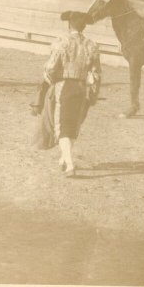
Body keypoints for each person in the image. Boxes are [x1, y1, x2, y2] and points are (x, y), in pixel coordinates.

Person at [33, 11, 101, 178]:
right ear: (84, 26)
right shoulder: (92, 45)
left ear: (69, 25)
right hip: (81, 88)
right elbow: (96, 73)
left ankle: (70, 164)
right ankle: (64, 157)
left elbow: (50, 69)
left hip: (64, 87)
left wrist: (49, 83)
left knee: (62, 126)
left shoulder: (61, 42)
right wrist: (92, 94)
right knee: (72, 125)